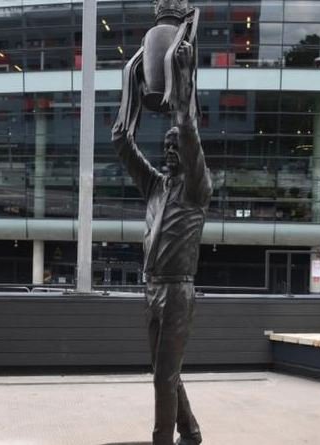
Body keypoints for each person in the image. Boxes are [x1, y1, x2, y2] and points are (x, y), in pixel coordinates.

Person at [113, 42, 211, 445]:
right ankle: (190, 430)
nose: (171, 150)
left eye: (177, 148)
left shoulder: (196, 189)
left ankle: (162, 440)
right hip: (151, 287)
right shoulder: (155, 186)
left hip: (176, 290)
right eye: (166, 146)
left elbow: (187, 130)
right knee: (163, 372)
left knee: (163, 378)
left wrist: (182, 82)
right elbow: (121, 139)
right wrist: (131, 77)